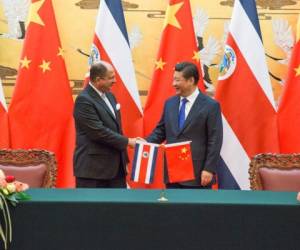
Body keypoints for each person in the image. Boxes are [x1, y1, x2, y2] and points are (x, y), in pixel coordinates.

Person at [147, 62, 223, 189]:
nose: (173, 84)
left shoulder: (211, 106)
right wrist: (143, 143)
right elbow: (160, 132)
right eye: (173, 79)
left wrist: (209, 169)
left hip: (198, 175)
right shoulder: (170, 103)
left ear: (191, 80)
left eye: (177, 80)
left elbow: (215, 140)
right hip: (173, 173)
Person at [73, 61, 136, 188]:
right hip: (93, 171)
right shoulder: (84, 100)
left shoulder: (110, 96)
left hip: (116, 170)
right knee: (93, 208)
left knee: (118, 207)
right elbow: (98, 132)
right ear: (98, 80)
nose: (115, 81)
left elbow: (117, 129)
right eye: (111, 78)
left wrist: (124, 161)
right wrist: (128, 142)